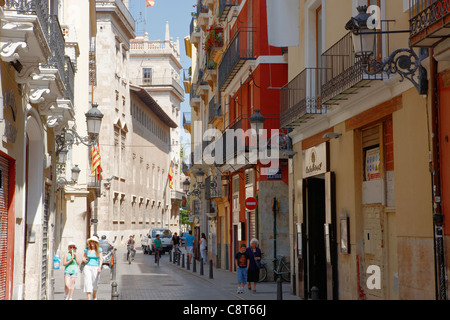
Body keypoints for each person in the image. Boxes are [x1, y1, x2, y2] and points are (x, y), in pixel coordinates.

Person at [83, 236, 103, 300]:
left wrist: (99, 267)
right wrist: (84, 260)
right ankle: (89, 298)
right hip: (87, 267)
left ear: (96, 243)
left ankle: (94, 295)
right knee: (87, 282)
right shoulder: (86, 249)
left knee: (95, 283)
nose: (92, 243)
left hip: (95, 267)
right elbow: (83, 257)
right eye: (91, 241)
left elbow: (101, 259)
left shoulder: (99, 250)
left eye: (94, 242)